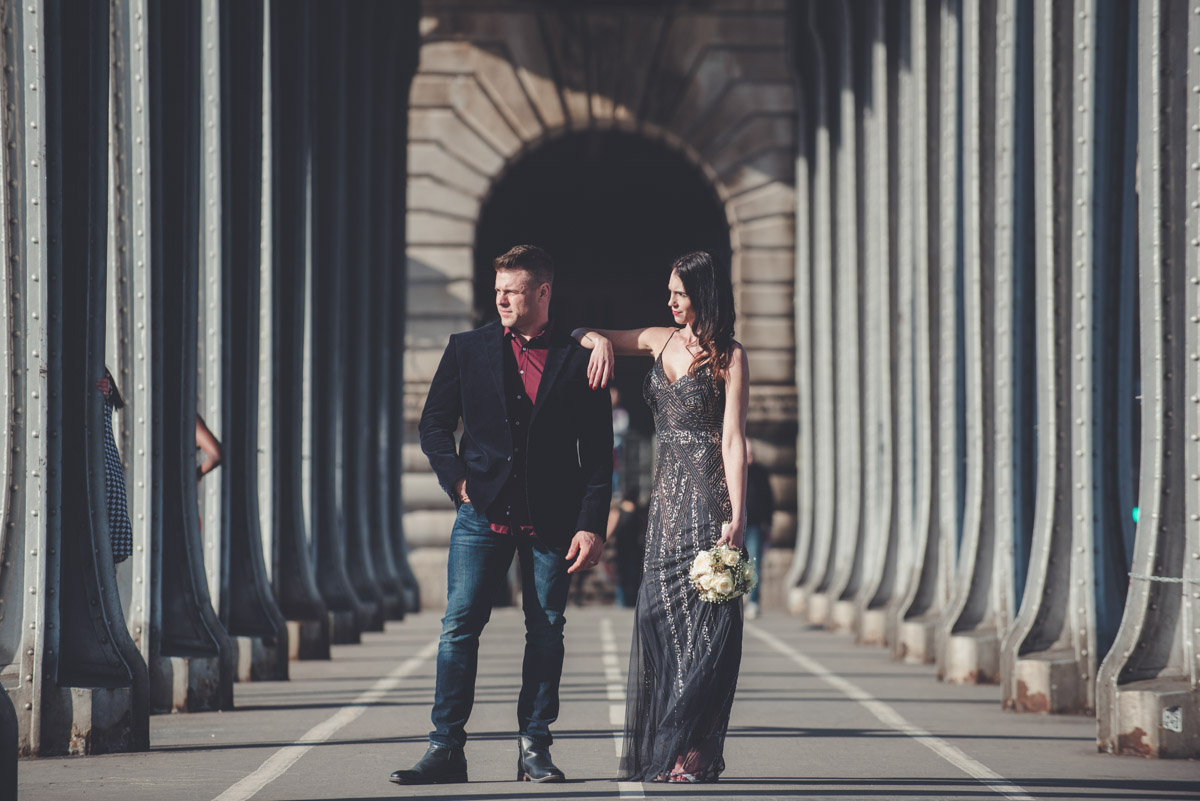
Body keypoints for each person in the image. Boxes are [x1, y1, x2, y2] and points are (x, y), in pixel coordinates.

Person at [392, 244, 612, 786]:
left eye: (512, 290)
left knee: (547, 631)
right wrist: (458, 480)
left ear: (543, 292)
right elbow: (433, 426)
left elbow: (600, 456)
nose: (502, 299)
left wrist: (591, 524)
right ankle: (445, 750)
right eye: (497, 291)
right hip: (480, 515)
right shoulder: (467, 349)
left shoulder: (580, 357)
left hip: (553, 521)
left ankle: (534, 747)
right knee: (459, 629)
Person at [572, 250, 749, 784]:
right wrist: (598, 341)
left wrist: (737, 520)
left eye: (679, 292)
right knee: (656, 619)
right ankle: (674, 740)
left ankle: (689, 750)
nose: (670, 300)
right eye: (670, 291)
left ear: (704, 295)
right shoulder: (655, 338)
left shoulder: (729, 356)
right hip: (666, 506)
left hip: (710, 501)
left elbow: (734, 440)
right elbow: (579, 329)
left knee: (711, 626)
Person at [743, 445, 774, 619]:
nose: (750, 458)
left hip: (755, 526)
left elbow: (769, 500)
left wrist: (768, 525)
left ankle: (753, 601)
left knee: (754, 563)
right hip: (737, 525)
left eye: (751, 454)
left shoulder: (760, 473)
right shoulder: (733, 469)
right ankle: (740, 599)